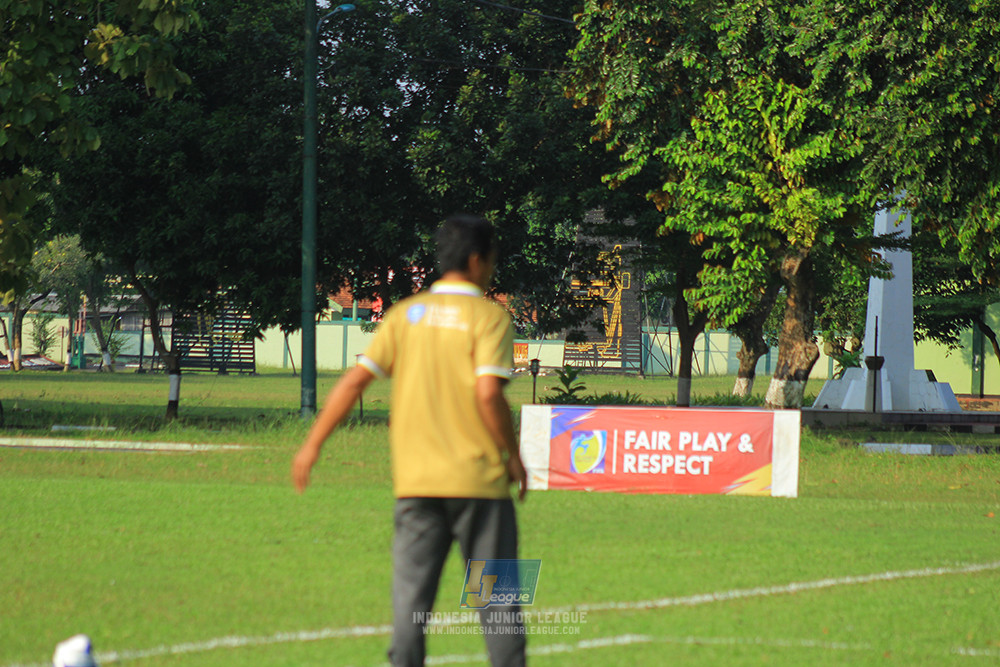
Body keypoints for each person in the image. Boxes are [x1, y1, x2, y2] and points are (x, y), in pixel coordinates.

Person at [292, 214, 528, 667]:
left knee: (410, 606)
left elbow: (353, 383)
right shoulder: (489, 318)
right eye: (492, 259)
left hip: (417, 484)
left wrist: (312, 445)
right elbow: (487, 394)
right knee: (498, 607)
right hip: (480, 487)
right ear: (478, 260)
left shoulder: (405, 316)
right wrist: (513, 457)